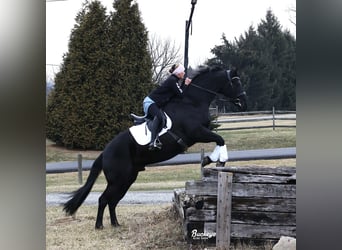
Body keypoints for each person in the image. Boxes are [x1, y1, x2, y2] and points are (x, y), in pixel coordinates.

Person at [143, 63, 192, 150]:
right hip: (150, 102)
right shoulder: (172, 81)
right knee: (159, 117)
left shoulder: (174, 81)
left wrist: (184, 85)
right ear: (178, 73)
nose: (184, 73)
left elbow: (178, 93)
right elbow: (181, 94)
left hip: (155, 103)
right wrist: (186, 84)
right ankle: (152, 141)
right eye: (183, 71)